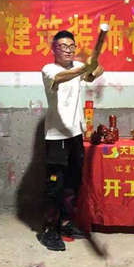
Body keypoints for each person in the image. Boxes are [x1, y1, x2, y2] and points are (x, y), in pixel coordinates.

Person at [37, 30, 104, 251]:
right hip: (57, 137)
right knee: (55, 185)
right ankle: (49, 230)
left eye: (71, 46)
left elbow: (95, 73)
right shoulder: (49, 70)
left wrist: (94, 66)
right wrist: (84, 69)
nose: (68, 50)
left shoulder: (78, 67)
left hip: (75, 135)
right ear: (54, 49)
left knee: (73, 182)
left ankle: (66, 224)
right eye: (63, 46)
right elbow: (62, 77)